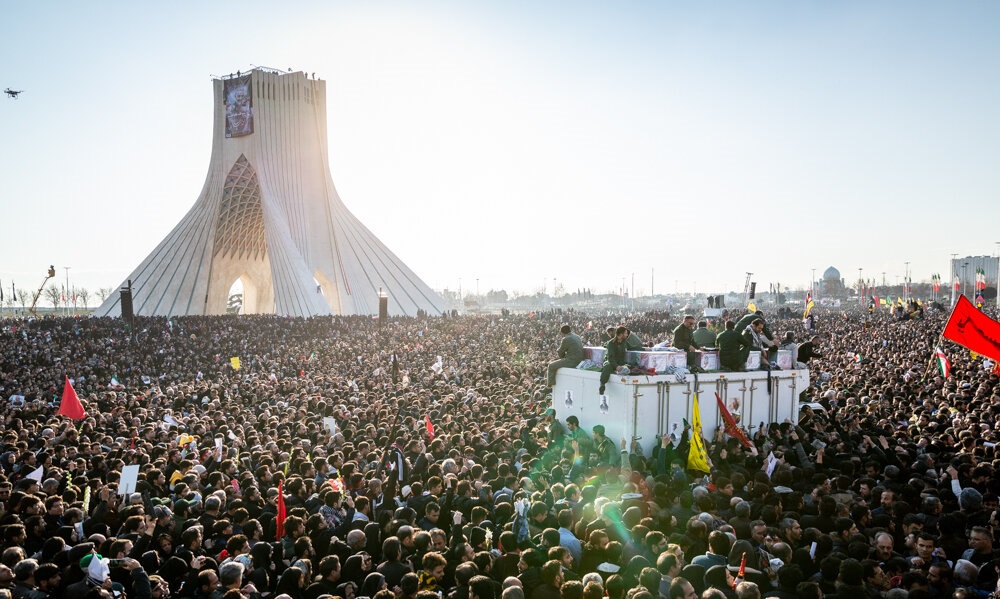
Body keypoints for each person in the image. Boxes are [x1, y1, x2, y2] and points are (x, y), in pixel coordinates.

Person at [544, 325, 584, 394]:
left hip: (572, 361)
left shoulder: (566, 339)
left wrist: (561, 357)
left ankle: (549, 387)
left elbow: (560, 352)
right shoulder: (577, 336)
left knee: (551, 366)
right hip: (580, 359)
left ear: (562, 333)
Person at [599, 326, 629, 395]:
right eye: (625, 333)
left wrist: (645, 348)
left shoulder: (624, 342)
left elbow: (632, 347)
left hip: (621, 363)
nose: (627, 335)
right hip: (612, 363)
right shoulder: (611, 343)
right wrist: (616, 366)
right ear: (621, 334)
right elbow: (610, 358)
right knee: (607, 366)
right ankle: (602, 384)